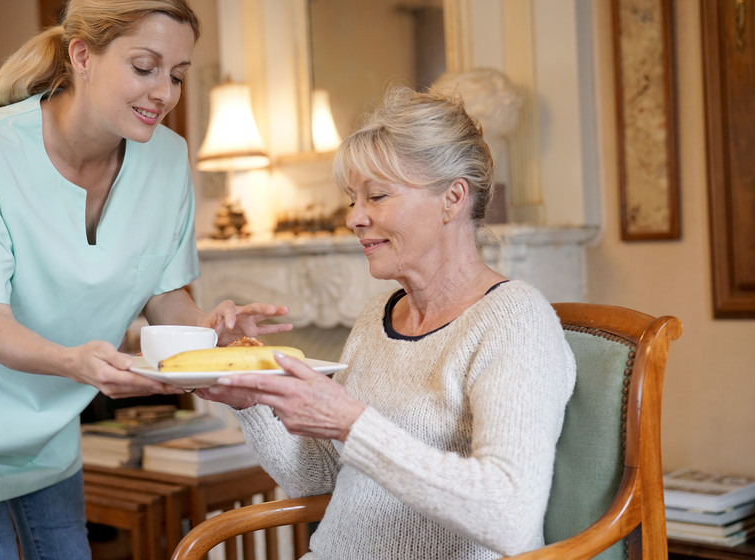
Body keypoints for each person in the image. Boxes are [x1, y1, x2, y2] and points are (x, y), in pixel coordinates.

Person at [0, 1, 291, 558]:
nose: (163, 93)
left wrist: (212, 331)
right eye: (144, 68)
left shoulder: (168, 159)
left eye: (176, 76)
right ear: (81, 56)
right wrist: (78, 364)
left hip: (54, 423)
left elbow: (166, 297)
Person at [197, 86, 577, 559]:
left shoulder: (516, 321)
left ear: (452, 198)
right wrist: (252, 397)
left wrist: (353, 424)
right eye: (352, 199)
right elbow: (319, 479)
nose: (355, 217)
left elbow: (510, 516)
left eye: (376, 196)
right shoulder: (377, 317)